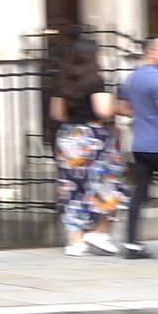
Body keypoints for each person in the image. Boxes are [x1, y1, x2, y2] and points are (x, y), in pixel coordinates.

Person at [47, 31, 125, 256]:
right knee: (106, 182)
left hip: (70, 136)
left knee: (72, 188)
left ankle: (75, 241)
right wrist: (114, 107)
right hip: (93, 136)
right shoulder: (95, 80)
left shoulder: (61, 82)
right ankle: (99, 231)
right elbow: (104, 110)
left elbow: (57, 113)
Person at [118, 37, 158, 255]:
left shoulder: (131, 78)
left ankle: (131, 243)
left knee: (139, 194)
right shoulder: (156, 78)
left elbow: (122, 108)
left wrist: (143, 115)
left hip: (140, 143)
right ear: (152, 52)